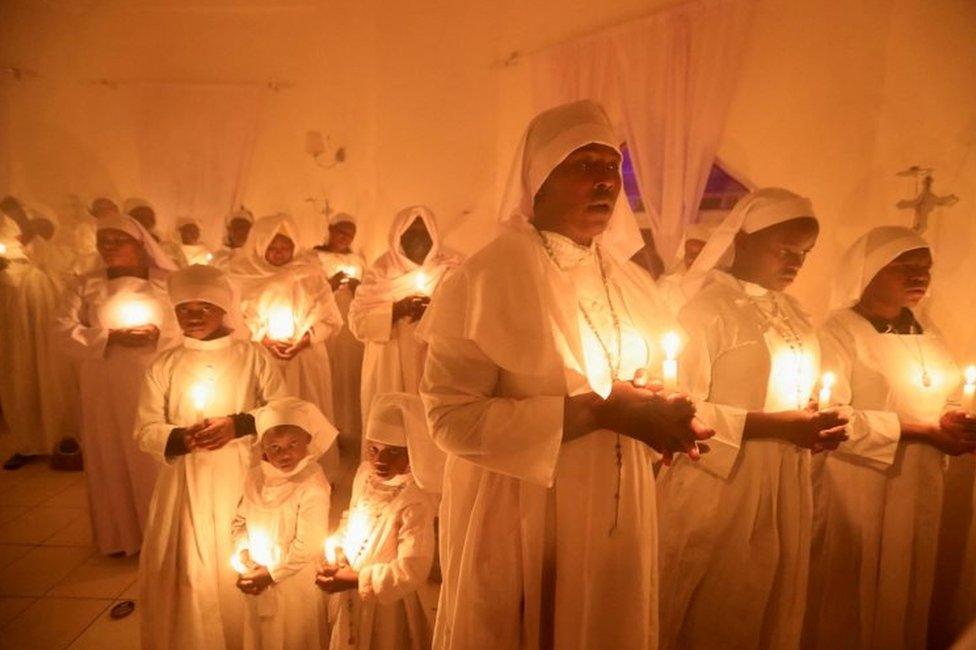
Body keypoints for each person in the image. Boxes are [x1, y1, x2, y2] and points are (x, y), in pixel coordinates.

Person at [419, 100, 712, 649]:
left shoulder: (628, 281)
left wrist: (665, 416)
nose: (604, 182)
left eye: (611, 168)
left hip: (618, 508)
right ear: (539, 183)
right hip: (523, 511)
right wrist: (599, 411)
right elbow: (450, 419)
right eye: (584, 166)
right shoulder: (484, 278)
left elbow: (650, 380)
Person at [656, 188, 849, 650]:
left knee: (765, 598)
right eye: (785, 250)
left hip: (783, 476)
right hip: (720, 479)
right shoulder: (706, 310)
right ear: (741, 241)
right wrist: (777, 426)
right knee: (715, 598)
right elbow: (678, 407)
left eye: (804, 254)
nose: (796, 263)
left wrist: (813, 424)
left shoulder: (795, 315)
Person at [802, 226, 975, 650]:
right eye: (906, 267)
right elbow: (833, 415)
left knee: (906, 585)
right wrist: (921, 431)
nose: (920, 277)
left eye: (925, 268)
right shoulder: (838, 332)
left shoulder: (924, 330)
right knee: (851, 589)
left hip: (921, 479)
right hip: (860, 482)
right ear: (871, 270)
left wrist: (953, 418)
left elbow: (945, 391)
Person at [135, 264, 289, 649]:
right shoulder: (164, 364)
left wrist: (237, 425)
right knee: (190, 561)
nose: (194, 315)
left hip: (240, 474)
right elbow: (145, 429)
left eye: (204, 307)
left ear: (224, 310)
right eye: (185, 308)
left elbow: (284, 411)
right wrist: (180, 437)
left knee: (236, 554)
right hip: (184, 480)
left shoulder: (253, 356)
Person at [54, 213, 181, 556]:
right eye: (103, 242)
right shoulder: (85, 284)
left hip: (156, 378)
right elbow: (60, 331)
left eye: (116, 241)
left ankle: (168, 538)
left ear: (140, 245)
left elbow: (186, 322)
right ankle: (125, 535)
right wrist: (109, 337)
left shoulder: (167, 281)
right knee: (113, 452)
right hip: (105, 382)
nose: (108, 248)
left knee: (154, 458)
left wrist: (159, 335)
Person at [317, 392, 437, 650]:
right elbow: (352, 517)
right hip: (353, 595)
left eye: (393, 452)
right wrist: (339, 549)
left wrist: (356, 579)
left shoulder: (415, 500)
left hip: (390, 607)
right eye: (374, 449)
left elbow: (412, 569)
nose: (381, 460)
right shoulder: (365, 474)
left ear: (413, 451)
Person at [229, 213, 343, 479]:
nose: (279, 253)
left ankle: (315, 473)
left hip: (306, 358)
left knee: (308, 411)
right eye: (272, 247)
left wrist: (307, 339)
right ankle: (270, 474)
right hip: (264, 360)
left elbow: (331, 319)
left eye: (285, 247)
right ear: (259, 245)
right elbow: (235, 320)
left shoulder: (310, 274)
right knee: (271, 414)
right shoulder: (242, 276)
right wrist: (263, 338)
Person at [348, 205, 462, 455]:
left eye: (424, 234)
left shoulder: (450, 269)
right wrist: (396, 310)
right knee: (387, 425)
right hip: (387, 361)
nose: (418, 241)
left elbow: (465, 314)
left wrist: (433, 311)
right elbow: (357, 322)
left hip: (430, 359)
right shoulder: (380, 271)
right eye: (411, 234)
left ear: (434, 236)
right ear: (397, 236)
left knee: (427, 423)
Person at [233, 396, 336, 650]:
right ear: (263, 448)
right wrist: (244, 552)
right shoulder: (255, 477)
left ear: (307, 442)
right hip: (259, 574)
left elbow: (309, 543)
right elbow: (239, 520)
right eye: (275, 447)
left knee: (293, 635)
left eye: (292, 444)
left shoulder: (312, 484)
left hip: (294, 582)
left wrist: (271, 574)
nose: (284, 454)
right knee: (264, 635)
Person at [0, 212, 69, 469]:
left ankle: (61, 440)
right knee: (20, 376)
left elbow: (63, 273)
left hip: (44, 319)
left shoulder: (52, 253)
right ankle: (27, 444)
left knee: (51, 378)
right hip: (16, 326)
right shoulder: (10, 250)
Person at [315, 212, 368, 448]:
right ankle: (325, 427)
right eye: (341, 232)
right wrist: (329, 285)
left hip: (349, 321)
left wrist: (358, 288)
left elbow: (368, 291)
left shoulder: (358, 261)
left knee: (348, 371)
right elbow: (308, 291)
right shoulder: (314, 257)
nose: (345, 238)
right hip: (325, 318)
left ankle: (348, 428)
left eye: (350, 234)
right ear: (330, 230)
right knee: (328, 370)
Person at [124, 197, 188, 267]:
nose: (146, 219)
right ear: (128, 218)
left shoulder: (171, 247)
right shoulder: (124, 245)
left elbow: (185, 270)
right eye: (140, 215)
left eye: (149, 215)